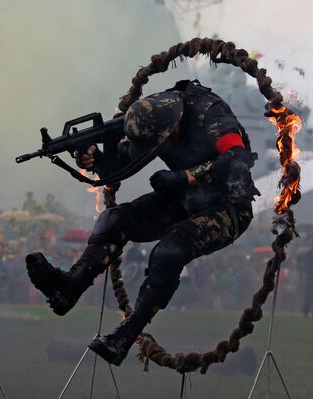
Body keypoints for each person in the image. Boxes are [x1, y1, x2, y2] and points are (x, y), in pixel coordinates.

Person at [26, 80, 259, 365]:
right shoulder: (151, 120)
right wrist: (96, 159)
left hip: (228, 207)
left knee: (170, 250)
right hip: (182, 198)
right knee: (115, 219)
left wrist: (186, 177)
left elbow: (238, 156)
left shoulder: (210, 115)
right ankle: (69, 287)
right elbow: (121, 165)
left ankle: (127, 333)